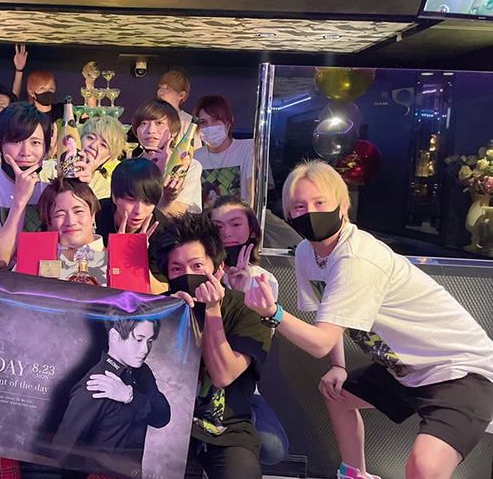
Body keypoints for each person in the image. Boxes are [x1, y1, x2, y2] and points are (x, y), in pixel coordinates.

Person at [244, 159, 493, 479]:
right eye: (299, 206)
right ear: (289, 214)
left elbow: (320, 343)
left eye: (320, 203)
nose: (310, 213)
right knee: (337, 393)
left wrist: (273, 313)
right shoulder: (308, 252)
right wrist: (338, 366)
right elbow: (328, 316)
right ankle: (354, 474)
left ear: (343, 204)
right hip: (404, 368)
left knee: (424, 468)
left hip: (457, 369)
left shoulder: (356, 257)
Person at [149, 213, 273, 479]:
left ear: (218, 268)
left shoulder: (247, 309)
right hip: (166, 426)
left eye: (197, 266)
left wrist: (212, 310)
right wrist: (169, 315)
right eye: (177, 269)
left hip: (227, 427)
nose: (187, 275)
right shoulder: (156, 309)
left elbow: (223, 375)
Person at [51, 313, 170, 477]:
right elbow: (62, 452)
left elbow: (162, 417)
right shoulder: (93, 385)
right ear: (114, 336)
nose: (145, 350)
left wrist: (129, 396)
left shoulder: (143, 372)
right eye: (138, 339)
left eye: (150, 341)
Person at [0, 102, 54, 267]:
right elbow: (1, 259)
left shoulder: (52, 179)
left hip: (45, 276)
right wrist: (20, 199)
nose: (26, 152)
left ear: (46, 148)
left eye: (35, 142)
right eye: (16, 142)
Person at [132, 99, 202, 215]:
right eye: (144, 124)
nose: (151, 130)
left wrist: (167, 198)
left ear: (174, 132)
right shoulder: (128, 165)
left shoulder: (188, 166)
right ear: (135, 131)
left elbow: (179, 212)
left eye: (159, 123)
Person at [38, 176, 106, 284]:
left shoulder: (115, 261)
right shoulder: (35, 261)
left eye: (78, 211)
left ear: (93, 215)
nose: (70, 221)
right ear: (48, 222)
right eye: (60, 214)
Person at [208, 195, 278, 296]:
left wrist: (240, 293)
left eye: (235, 224)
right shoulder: (201, 276)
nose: (226, 233)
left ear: (252, 230)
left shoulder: (265, 281)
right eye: (218, 227)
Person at [193, 95, 254, 209]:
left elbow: (254, 191)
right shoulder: (194, 158)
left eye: (215, 120)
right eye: (203, 122)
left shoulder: (248, 148)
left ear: (229, 121)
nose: (210, 126)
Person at [95, 157, 164, 247]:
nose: (138, 211)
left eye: (147, 202)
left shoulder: (161, 231)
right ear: (114, 196)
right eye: (131, 200)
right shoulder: (95, 215)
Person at [78, 114, 127, 199]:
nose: (93, 146)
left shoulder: (103, 190)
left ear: (110, 157)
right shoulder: (52, 168)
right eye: (90, 138)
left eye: (103, 145)